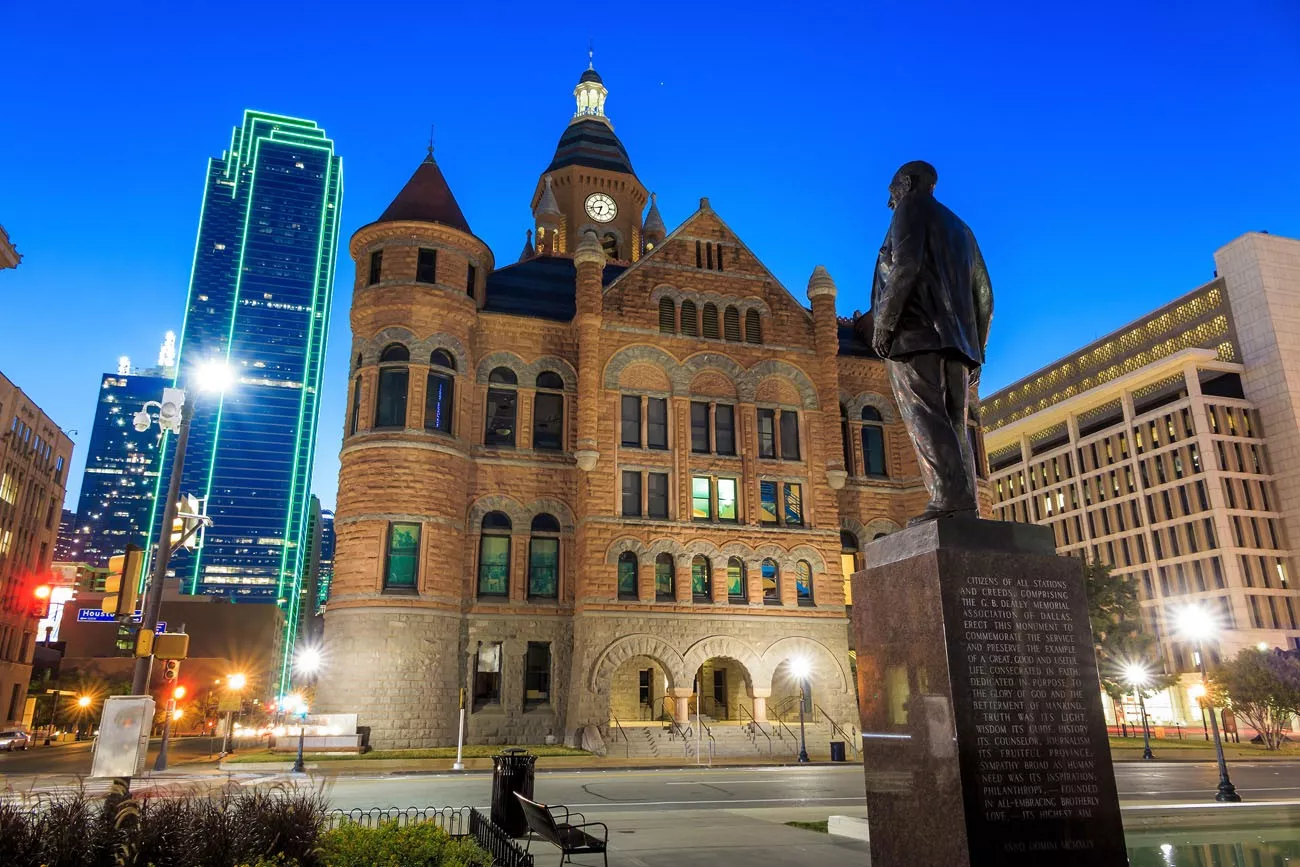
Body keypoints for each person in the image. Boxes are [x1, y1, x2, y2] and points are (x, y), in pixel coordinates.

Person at [863, 161, 993, 524]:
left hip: (916, 336)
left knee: (926, 417)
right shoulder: (962, 229)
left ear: (906, 183)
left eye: (891, 191)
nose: (890, 202)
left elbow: (905, 266)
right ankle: (965, 508)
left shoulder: (910, 207)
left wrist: (883, 327)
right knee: (954, 425)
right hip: (958, 345)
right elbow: (986, 297)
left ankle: (949, 501)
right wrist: (977, 352)